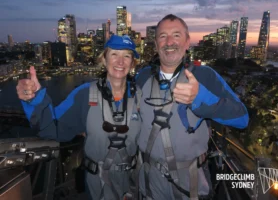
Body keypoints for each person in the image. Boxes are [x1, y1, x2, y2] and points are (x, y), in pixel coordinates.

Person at [135, 14, 249, 200]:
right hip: (149, 177)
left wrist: (201, 98)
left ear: (188, 42)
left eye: (177, 35)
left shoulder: (205, 75)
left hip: (190, 179)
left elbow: (242, 118)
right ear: (156, 45)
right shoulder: (143, 76)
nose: (169, 42)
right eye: (163, 36)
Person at [16, 35, 142, 200]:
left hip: (133, 182)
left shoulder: (141, 96)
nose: (120, 61)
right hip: (98, 183)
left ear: (132, 63)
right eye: (114, 54)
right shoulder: (85, 94)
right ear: (104, 59)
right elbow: (52, 128)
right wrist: (34, 100)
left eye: (126, 55)